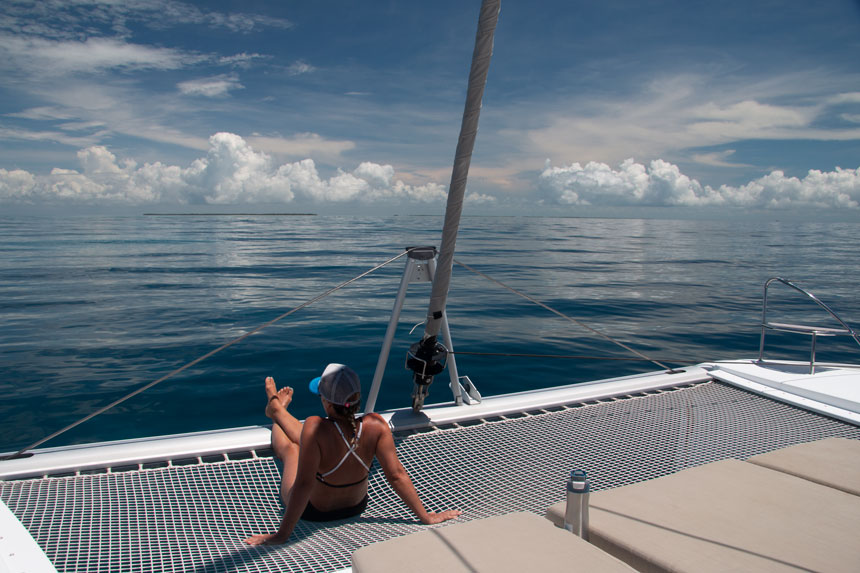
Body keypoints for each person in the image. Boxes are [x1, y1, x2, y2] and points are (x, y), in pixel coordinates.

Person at [244, 363, 461, 545]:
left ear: (326, 402)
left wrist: (282, 535)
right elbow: (397, 475)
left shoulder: (314, 426)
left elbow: (303, 485)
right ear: (356, 399)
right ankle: (278, 410)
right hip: (356, 506)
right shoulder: (376, 425)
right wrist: (425, 517)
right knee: (307, 439)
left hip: (315, 512)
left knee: (292, 450)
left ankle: (277, 411)